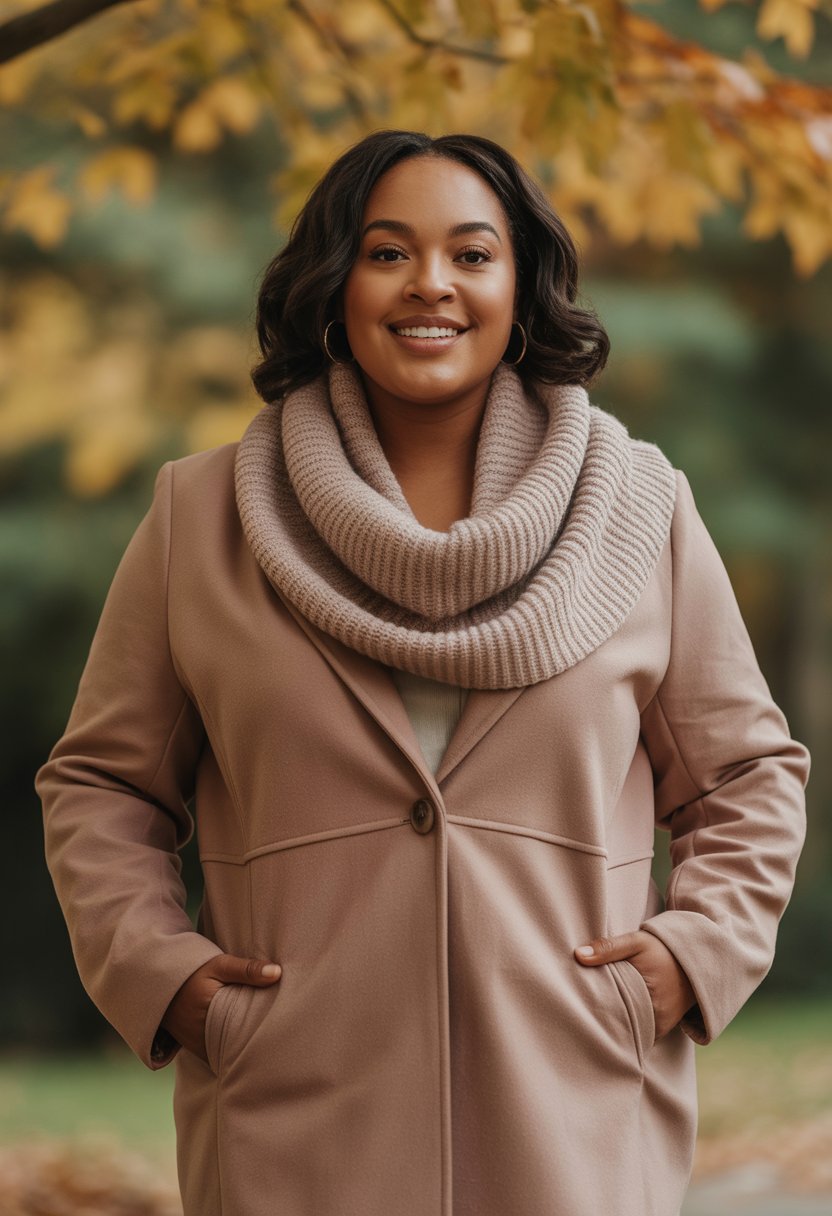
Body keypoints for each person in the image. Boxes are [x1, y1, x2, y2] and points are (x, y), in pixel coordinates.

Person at [35, 129, 810, 1216]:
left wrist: (690, 957)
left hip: (571, 1116)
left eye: (472, 254)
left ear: (520, 285)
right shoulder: (199, 518)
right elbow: (102, 785)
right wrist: (174, 984)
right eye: (387, 252)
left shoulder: (642, 508)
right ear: (334, 281)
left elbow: (746, 776)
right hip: (292, 1123)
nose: (431, 285)